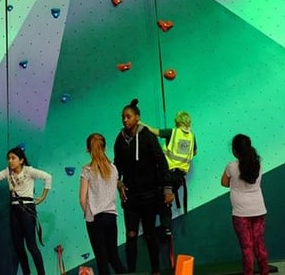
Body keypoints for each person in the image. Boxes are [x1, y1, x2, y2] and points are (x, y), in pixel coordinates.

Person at [113, 98, 172, 275]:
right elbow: (117, 165)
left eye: (128, 116)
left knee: (149, 234)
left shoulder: (147, 136)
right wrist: (118, 180)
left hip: (149, 196)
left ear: (137, 117)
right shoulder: (120, 139)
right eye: (123, 117)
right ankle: (131, 272)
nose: (125, 120)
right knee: (131, 235)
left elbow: (162, 162)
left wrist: (167, 188)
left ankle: (155, 271)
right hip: (130, 197)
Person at [0, 146, 52, 275]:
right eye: (9, 158)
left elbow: (48, 177)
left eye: (13, 158)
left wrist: (43, 196)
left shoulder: (29, 171)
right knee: (18, 246)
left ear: (21, 160)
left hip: (27, 209)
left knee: (31, 246)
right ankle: (26, 273)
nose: (10, 161)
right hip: (14, 210)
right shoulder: (8, 172)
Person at [142, 111, 197, 237]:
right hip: (179, 176)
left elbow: (153, 131)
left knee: (161, 197)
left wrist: (140, 122)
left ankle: (164, 227)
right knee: (166, 199)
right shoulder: (192, 137)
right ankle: (167, 229)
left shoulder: (173, 132)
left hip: (167, 172)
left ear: (177, 122)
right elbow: (195, 152)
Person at [79, 133, 127, 275]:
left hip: (95, 218)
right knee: (114, 257)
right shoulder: (114, 169)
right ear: (105, 148)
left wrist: (88, 214)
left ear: (88, 149)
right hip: (111, 217)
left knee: (102, 260)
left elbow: (82, 199)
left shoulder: (86, 170)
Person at [221, 134, 268, 275]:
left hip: (241, 215)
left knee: (247, 248)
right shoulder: (258, 164)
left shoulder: (231, 166)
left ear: (235, 151)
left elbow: (224, 183)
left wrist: (235, 183)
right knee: (260, 246)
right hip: (259, 210)